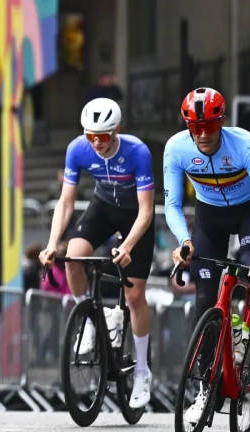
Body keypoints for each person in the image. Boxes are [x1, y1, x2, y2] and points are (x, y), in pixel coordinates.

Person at [164, 87, 250, 424]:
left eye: (209, 126)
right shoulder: (176, 148)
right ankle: (204, 390)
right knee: (204, 300)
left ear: (221, 122)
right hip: (209, 217)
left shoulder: (244, 144)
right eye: (194, 127)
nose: (202, 134)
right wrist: (184, 242)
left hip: (248, 213)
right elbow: (172, 205)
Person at [39, 97, 156, 409]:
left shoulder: (137, 152)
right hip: (103, 208)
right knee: (73, 257)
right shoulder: (77, 149)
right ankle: (90, 319)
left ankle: (143, 371)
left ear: (116, 131)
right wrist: (53, 243)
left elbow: (146, 211)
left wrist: (128, 245)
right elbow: (66, 202)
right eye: (91, 136)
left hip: (135, 217)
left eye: (103, 137)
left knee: (134, 297)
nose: (96, 143)